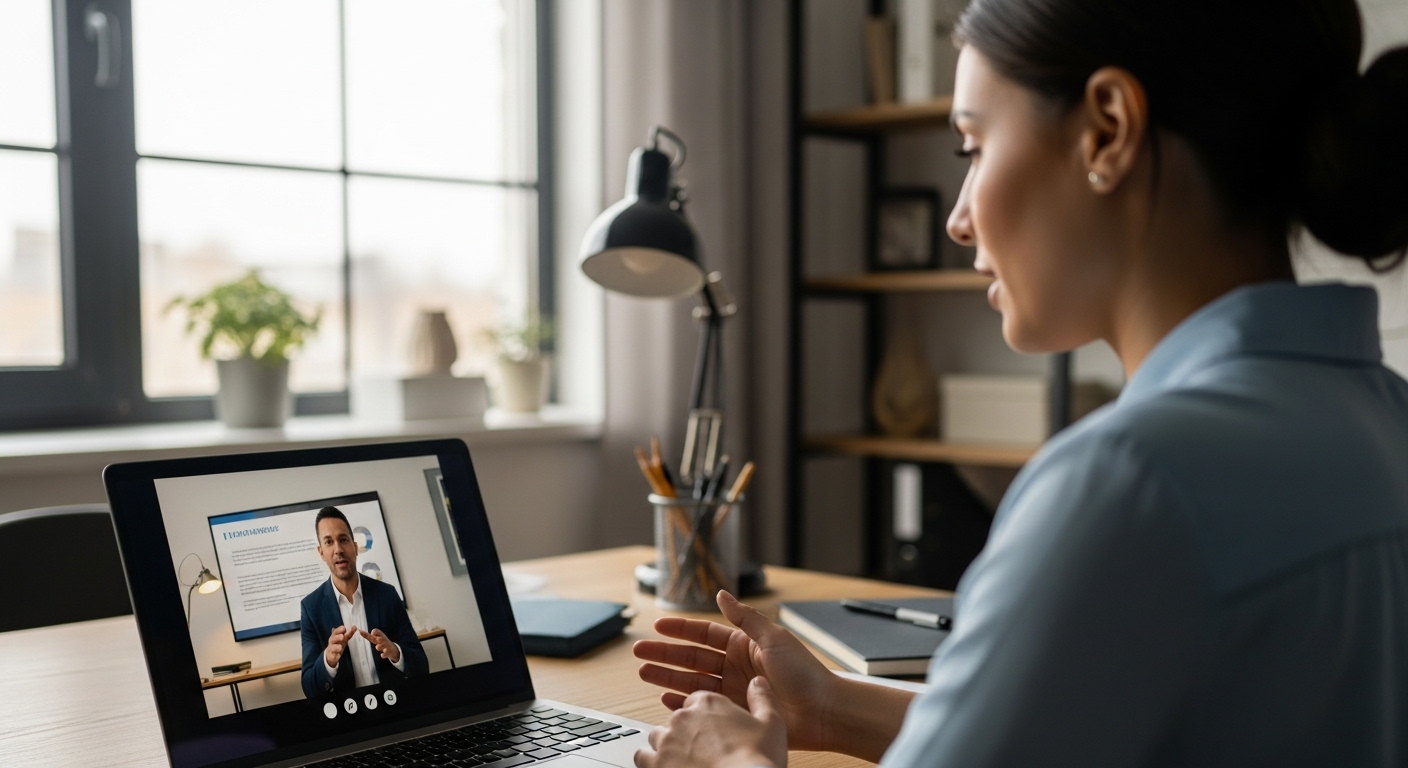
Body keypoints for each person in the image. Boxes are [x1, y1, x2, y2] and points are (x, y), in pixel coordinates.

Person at [632, 1, 1408, 766]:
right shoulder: (1385, 421)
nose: (957, 218)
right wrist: (831, 707)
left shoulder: (1128, 482)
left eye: (972, 146)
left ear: (1107, 129)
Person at [300, 506, 428, 698]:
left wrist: (395, 652)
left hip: (394, 703)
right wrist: (328, 660)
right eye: (329, 542)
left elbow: (421, 665)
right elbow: (310, 688)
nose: (338, 549)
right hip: (349, 711)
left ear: (355, 547)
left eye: (343, 540)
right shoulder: (311, 608)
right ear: (321, 552)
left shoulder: (387, 595)